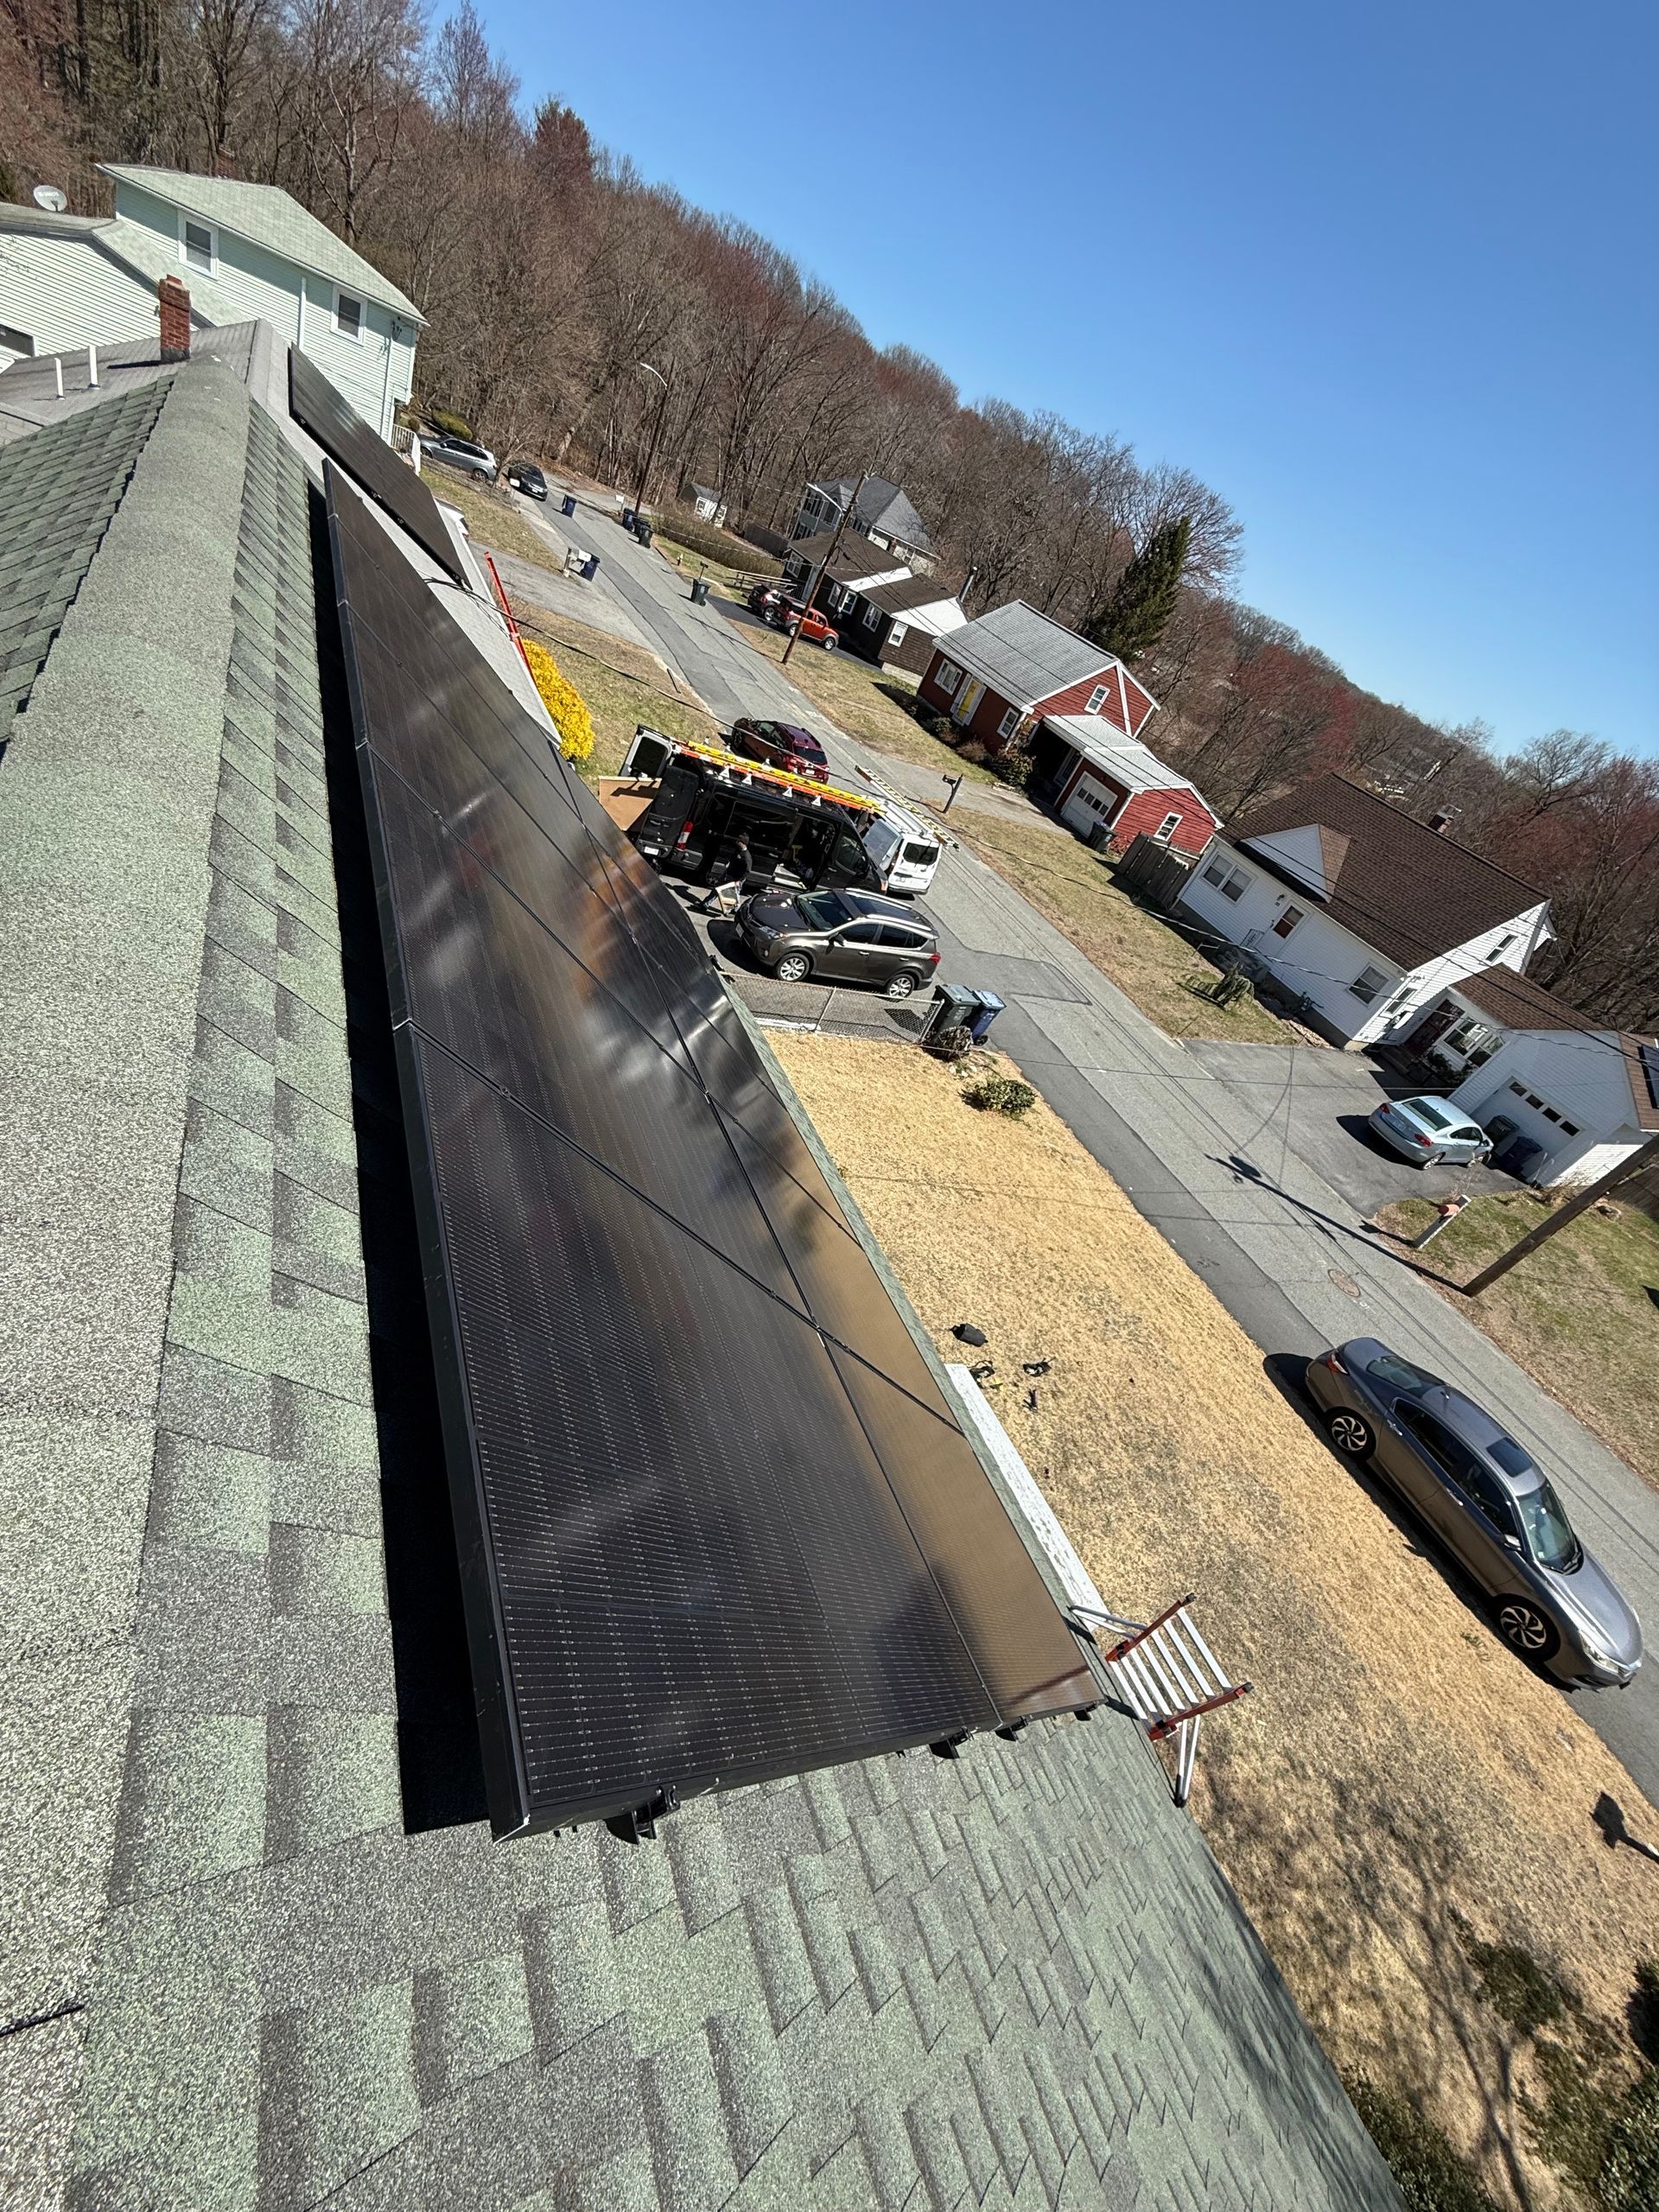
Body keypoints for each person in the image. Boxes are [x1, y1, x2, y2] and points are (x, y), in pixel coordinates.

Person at [696, 830, 752, 915]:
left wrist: (739, 880)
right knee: (717, 889)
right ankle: (705, 904)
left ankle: (735, 910)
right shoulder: (738, 849)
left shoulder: (747, 857)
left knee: (734, 894)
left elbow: (747, 871)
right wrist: (729, 862)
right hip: (728, 874)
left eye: (739, 841)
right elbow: (733, 857)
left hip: (737, 878)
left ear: (743, 843)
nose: (737, 842)